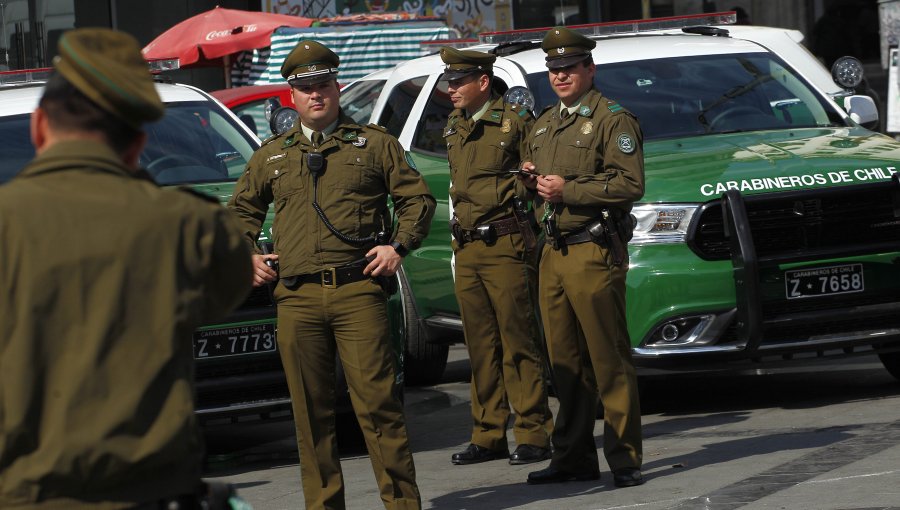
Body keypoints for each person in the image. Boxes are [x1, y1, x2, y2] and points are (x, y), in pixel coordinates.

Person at [0, 28, 254, 509]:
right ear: (138, 145)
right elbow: (226, 288)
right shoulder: (192, 227)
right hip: (149, 491)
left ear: (38, 128)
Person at [227, 40, 435, 510]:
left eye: (323, 86)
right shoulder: (272, 155)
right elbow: (241, 209)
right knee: (310, 415)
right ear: (292, 96)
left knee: (378, 409)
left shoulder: (374, 144)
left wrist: (398, 246)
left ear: (336, 88)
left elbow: (417, 200)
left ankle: (402, 504)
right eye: (305, 89)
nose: (316, 95)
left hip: (357, 292)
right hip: (296, 300)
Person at [517, 27, 645, 488]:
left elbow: (629, 184)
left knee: (607, 358)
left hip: (593, 247)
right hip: (554, 251)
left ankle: (625, 457)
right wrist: (531, 181)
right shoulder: (546, 123)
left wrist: (569, 189)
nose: (560, 75)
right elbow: (536, 184)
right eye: (553, 69)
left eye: (569, 67)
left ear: (589, 68)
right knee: (565, 363)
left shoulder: (612, 119)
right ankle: (572, 455)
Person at [439, 46, 554, 467]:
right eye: (449, 82)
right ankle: (488, 434)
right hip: (467, 246)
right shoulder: (455, 125)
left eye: (458, 81)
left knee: (518, 341)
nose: (450, 89)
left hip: (506, 242)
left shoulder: (515, 122)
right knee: (480, 345)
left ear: (482, 82)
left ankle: (534, 433)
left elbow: (536, 177)